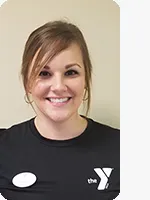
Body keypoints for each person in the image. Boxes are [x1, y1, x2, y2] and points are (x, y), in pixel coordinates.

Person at [0, 20, 120, 200]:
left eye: (71, 72)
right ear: (27, 83)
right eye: (44, 73)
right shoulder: (3, 147)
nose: (58, 86)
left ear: (85, 80)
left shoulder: (127, 148)